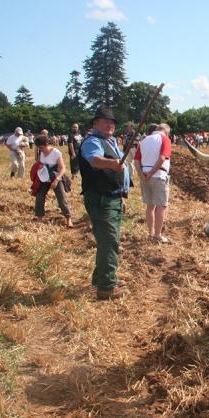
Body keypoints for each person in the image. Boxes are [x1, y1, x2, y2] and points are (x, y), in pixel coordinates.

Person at [80, 106, 130, 300]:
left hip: (112, 198)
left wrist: (120, 198)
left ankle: (103, 277)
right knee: (109, 241)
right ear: (95, 124)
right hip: (101, 198)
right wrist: (111, 163)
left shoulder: (111, 142)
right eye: (105, 121)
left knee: (108, 240)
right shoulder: (93, 141)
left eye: (112, 122)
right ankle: (106, 287)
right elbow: (95, 160)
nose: (110, 124)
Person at [134, 123, 173, 244]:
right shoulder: (165, 139)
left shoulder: (144, 140)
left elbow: (136, 160)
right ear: (166, 131)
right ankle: (158, 235)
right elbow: (162, 158)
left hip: (144, 176)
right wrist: (151, 173)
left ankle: (151, 234)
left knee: (150, 206)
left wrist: (141, 173)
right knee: (161, 206)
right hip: (158, 175)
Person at [33, 135, 73, 227]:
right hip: (44, 177)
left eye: (41, 147)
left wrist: (56, 180)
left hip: (55, 176)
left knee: (61, 198)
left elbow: (63, 168)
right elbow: (41, 163)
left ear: (47, 144)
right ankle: (39, 218)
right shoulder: (41, 152)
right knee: (39, 197)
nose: (40, 149)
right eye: (38, 148)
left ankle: (68, 219)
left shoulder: (56, 152)